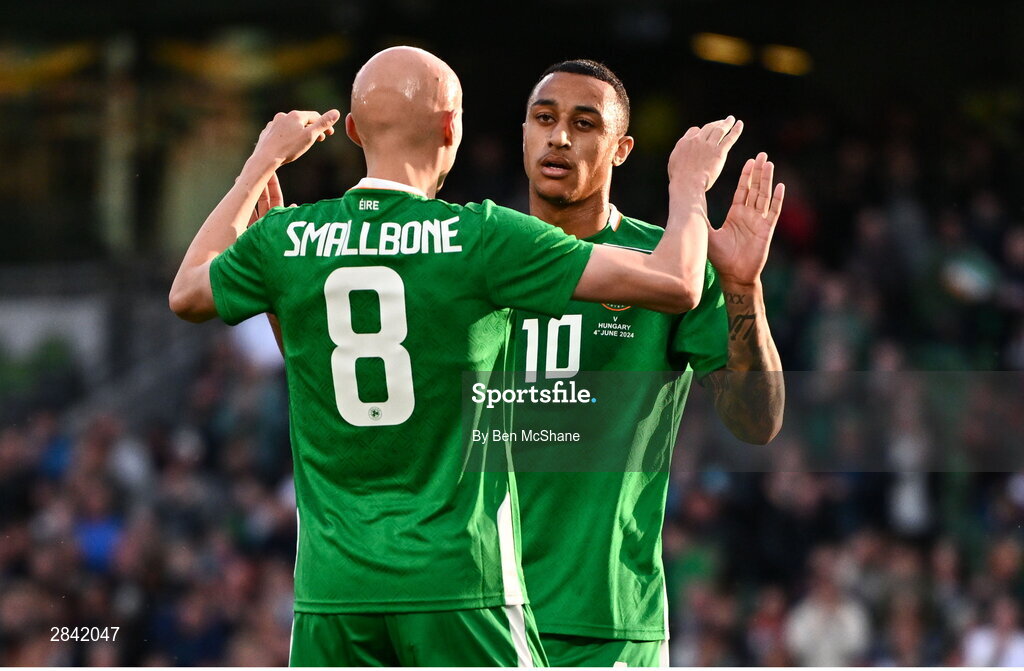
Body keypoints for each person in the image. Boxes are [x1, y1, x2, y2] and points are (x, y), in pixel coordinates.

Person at [168, 46, 743, 666]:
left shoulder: (290, 238)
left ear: (355, 131)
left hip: (330, 593)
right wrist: (688, 187)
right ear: (452, 127)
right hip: (458, 585)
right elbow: (680, 281)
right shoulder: (477, 238)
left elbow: (187, 291)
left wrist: (259, 163)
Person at [506, 59, 785, 666]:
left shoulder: (667, 265)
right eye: (544, 119)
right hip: (473, 614)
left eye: (584, 124)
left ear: (622, 148)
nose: (559, 138)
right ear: (523, 132)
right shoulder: (476, 252)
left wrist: (741, 285)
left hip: (607, 626)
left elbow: (756, 422)